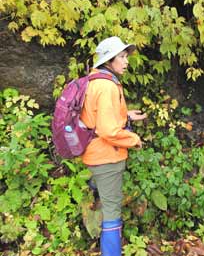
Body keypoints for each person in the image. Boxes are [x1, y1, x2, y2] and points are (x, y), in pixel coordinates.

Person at [80, 36, 146, 256]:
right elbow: (108, 131)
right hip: (106, 157)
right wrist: (133, 140)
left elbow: (97, 118)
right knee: (111, 213)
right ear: (109, 60)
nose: (126, 62)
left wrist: (126, 116)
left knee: (108, 208)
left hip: (96, 155)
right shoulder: (107, 86)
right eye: (122, 57)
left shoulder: (94, 81)